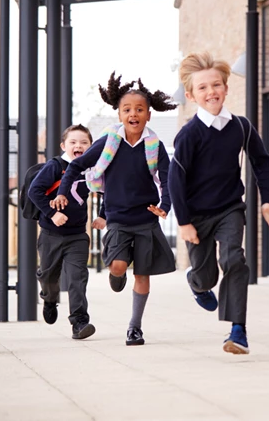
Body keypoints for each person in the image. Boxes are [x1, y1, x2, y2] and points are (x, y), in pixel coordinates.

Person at [169, 52, 269, 355]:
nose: (212, 92)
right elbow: (175, 180)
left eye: (216, 85)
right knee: (206, 274)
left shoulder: (241, 126)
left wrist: (266, 202)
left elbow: (261, 162)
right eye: (204, 88)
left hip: (230, 208)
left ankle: (238, 330)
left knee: (235, 260)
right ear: (192, 95)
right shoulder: (188, 135)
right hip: (195, 215)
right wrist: (183, 223)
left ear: (226, 88)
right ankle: (196, 282)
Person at [53, 73, 177, 347]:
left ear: (148, 115)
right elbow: (76, 165)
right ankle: (116, 274)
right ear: (119, 113)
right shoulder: (110, 141)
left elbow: (167, 179)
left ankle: (135, 328)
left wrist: (165, 205)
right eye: (127, 109)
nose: (133, 114)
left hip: (146, 218)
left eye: (139, 109)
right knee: (119, 266)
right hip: (118, 218)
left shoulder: (154, 145)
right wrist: (62, 192)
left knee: (142, 274)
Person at [29, 124, 103, 340]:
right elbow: (35, 190)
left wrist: (104, 215)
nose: (78, 146)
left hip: (78, 235)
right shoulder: (56, 166)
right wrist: (52, 214)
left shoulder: (93, 168)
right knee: (48, 276)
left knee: (77, 278)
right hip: (51, 234)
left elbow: (108, 189)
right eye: (73, 142)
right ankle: (49, 299)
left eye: (84, 143)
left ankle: (79, 322)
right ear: (64, 146)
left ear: (90, 147)